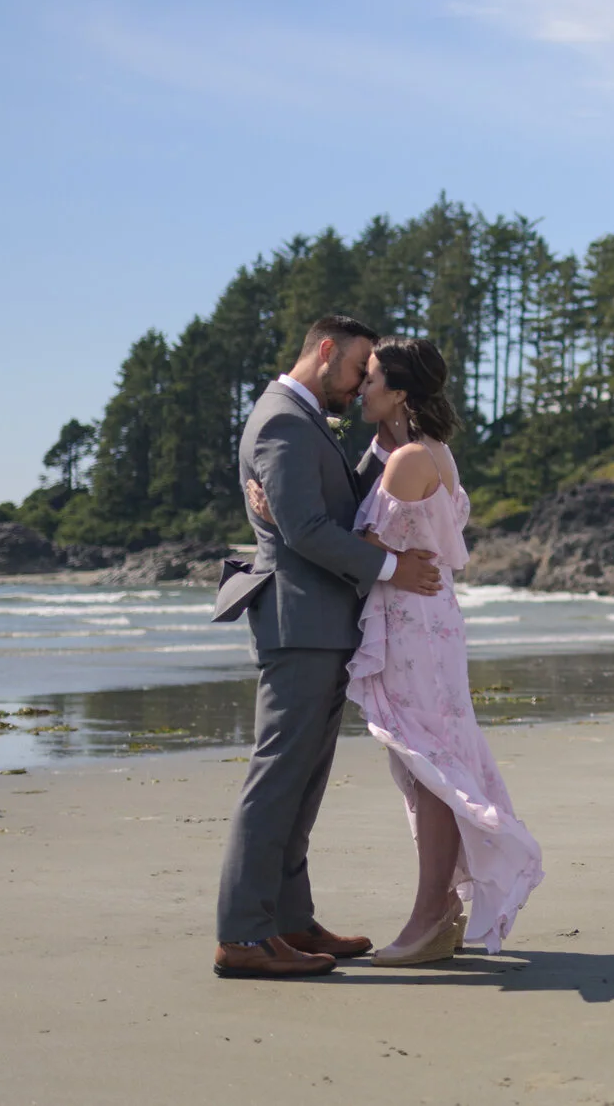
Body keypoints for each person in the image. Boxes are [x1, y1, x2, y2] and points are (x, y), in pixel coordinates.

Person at [211, 314, 445, 980]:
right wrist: (394, 568)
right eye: (357, 367)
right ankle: (243, 933)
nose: (361, 381)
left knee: (303, 782)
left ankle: (289, 919)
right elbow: (307, 527)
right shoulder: (282, 420)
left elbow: (334, 505)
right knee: (277, 779)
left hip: (320, 624)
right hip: (299, 623)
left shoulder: (305, 419)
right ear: (324, 350)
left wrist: (381, 446)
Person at [340, 336, 543, 963]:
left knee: (428, 768)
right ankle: (442, 911)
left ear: (400, 392)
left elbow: (359, 548)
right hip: (430, 621)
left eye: (372, 378)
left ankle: (431, 917)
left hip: (412, 627)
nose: (360, 387)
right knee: (427, 763)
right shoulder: (430, 451)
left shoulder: (408, 461)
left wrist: (275, 515)